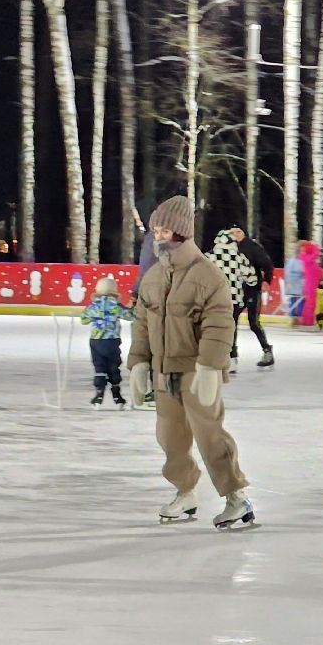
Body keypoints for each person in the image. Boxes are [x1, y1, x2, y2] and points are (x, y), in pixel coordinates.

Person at [128, 196, 255, 531]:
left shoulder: (207, 274)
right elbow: (141, 321)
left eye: (165, 229)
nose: (158, 235)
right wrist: (139, 362)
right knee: (170, 438)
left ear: (182, 233)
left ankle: (236, 497)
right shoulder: (154, 276)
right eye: (156, 228)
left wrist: (212, 366)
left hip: (196, 370)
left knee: (210, 435)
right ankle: (185, 492)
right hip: (163, 371)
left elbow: (220, 323)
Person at [207, 226, 273, 372]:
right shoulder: (236, 254)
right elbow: (249, 275)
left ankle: (266, 350)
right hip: (238, 294)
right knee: (232, 324)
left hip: (249, 292)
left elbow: (266, 264)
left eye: (238, 232)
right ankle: (231, 356)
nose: (235, 235)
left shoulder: (253, 247)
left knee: (253, 323)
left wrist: (266, 281)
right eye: (232, 233)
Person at [79, 276, 133, 409]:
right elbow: (131, 316)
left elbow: (84, 319)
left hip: (96, 342)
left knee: (99, 366)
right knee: (113, 366)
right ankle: (117, 395)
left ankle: (99, 394)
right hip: (112, 341)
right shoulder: (116, 306)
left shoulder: (94, 306)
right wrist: (131, 308)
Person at [298, 241, 323, 328]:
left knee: (309, 304)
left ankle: (306, 321)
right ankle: (308, 322)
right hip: (311, 284)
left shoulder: (306, 258)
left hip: (310, 284)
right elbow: (316, 253)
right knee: (310, 304)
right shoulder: (309, 259)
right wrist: (315, 245)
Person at [283, 242, 306, 323]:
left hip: (301, 283)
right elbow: (288, 272)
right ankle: (293, 317)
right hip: (293, 283)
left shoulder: (304, 261)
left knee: (301, 300)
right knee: (293, 299)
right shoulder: (292, 261)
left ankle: (299, 316)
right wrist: (288, 282)